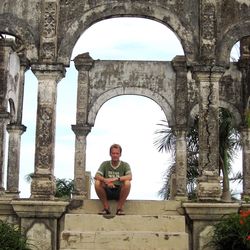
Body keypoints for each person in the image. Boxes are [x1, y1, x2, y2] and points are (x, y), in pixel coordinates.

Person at [94, 144, 132, 215]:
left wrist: (116, 179)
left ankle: (119, 208)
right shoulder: (105, 164)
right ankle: (106, 208)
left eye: (117, 153)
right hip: (107, 190)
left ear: (120, 154)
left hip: (119, 191)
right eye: (113, 153)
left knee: (127, 183)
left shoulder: (125, 165)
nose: (115, 155)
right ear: (110, 154)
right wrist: (106, 181)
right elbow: (96, 175)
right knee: (97, 182)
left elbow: (130, 177)